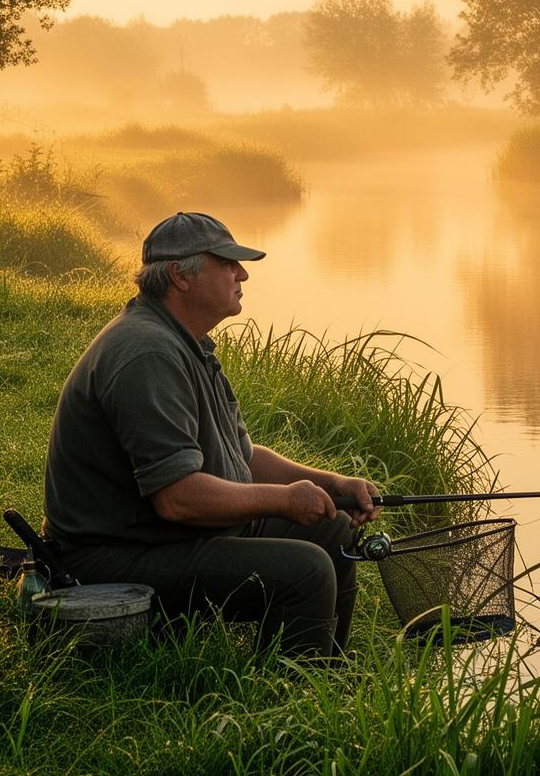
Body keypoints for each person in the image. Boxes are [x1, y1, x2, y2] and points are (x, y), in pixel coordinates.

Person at [42, 211, 380, 655]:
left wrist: (332, 485)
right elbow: (178, 499)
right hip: (110, 557)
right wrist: (284, 500)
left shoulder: (186, 341)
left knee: (332, 533)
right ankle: (294, 708)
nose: (242, 274)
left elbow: (244, 456)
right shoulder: (147, 353)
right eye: (227, 263)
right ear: (181, 277)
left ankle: (331, 677)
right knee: (307, 570)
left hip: (159, 537)